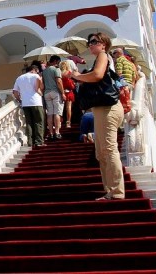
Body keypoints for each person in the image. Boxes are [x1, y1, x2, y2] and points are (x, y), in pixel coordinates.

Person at [66, 32, 125, 200]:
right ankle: (110, 191)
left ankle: (117, 192)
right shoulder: (101, 57)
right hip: (102, 109)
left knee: (108, 149)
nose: (90, 45)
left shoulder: (103, 55)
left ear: (103, 44)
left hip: (108, 109)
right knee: (101, 153)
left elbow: (98, 75)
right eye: (89, 42)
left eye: (94, 42)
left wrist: (77, 76)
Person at [12, 64, 45, 148]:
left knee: (29, 122)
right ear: (34, 69)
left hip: (25, 103)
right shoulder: (36, 76)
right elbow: (41, 87)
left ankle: (30, 142)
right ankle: (39, 141)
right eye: (37, 70)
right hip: (36, 101)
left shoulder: (19, 78)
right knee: (38, 121)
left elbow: (15, 92)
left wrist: (20, 100)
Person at [41, 55, 65, 139]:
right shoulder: (56, 69)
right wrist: (62, 93)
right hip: (55, 92)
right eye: (58, 62)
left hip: (47, 93)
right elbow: (59, 81)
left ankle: (51, 133)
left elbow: (42, 84)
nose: (58, 64)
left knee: (50, 114)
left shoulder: (44, 72)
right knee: (57, 112)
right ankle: (57, 132)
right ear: (55, 61)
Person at [60, 60, 77, 128]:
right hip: (69, 91)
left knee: (60, 108)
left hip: (61, 92)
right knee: (68, 108)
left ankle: (60, 122)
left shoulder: (59, 73)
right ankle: (68, 122)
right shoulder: (69, 73)